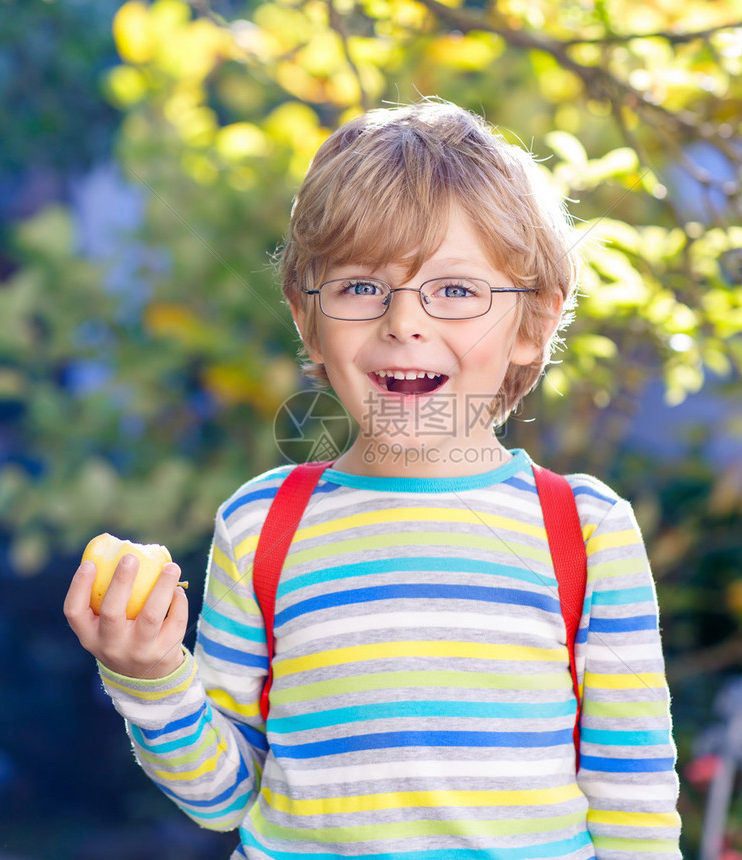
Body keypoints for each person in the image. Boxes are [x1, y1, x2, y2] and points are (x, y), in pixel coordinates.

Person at [64, 99, 682, 859]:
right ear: (305, 315)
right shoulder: (262, 526)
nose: (404, 322)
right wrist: (151, 675)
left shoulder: (584, 531)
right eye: (360, 288)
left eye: (456, 291)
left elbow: (635, 802)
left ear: (534, 325)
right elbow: (224, 799)